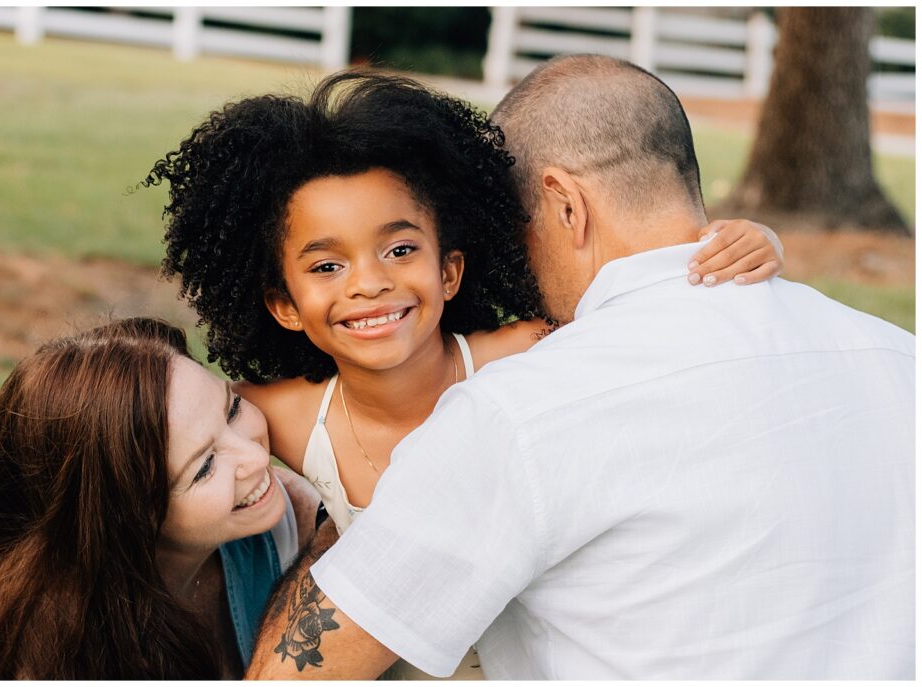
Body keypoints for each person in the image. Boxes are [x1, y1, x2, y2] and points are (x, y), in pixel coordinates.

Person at [245, 56, 915, 680]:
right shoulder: (898, 357)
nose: (515, 262)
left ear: (567, 205)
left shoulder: (524, 410)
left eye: (517, 226)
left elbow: (295, 671)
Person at [146, 71, 784, 679]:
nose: (370, 282)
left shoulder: (536, 356)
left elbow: (657, 333)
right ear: (284, 305)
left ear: (449, 271)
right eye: (326, 267)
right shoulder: (278, 419)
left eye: (400, 250)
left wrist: (752, 242)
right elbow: (138, 415)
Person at [0, 317, 320, 679]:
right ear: (128, 513)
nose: (254, 456)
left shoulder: (298, 521)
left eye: (231, 410)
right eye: (204, 467)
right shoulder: (49, 652)